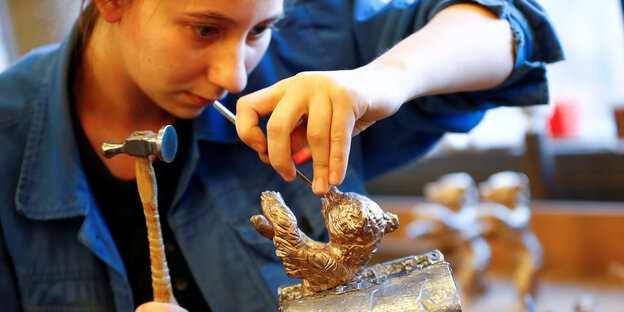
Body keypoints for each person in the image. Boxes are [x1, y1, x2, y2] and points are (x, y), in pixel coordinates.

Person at [0, 0, 562, 311]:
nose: (235, 74)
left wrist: (386, 79)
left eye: (260, 30)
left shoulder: (309, 48)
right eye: (204, 28)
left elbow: (515, 30)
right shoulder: (9, 136)